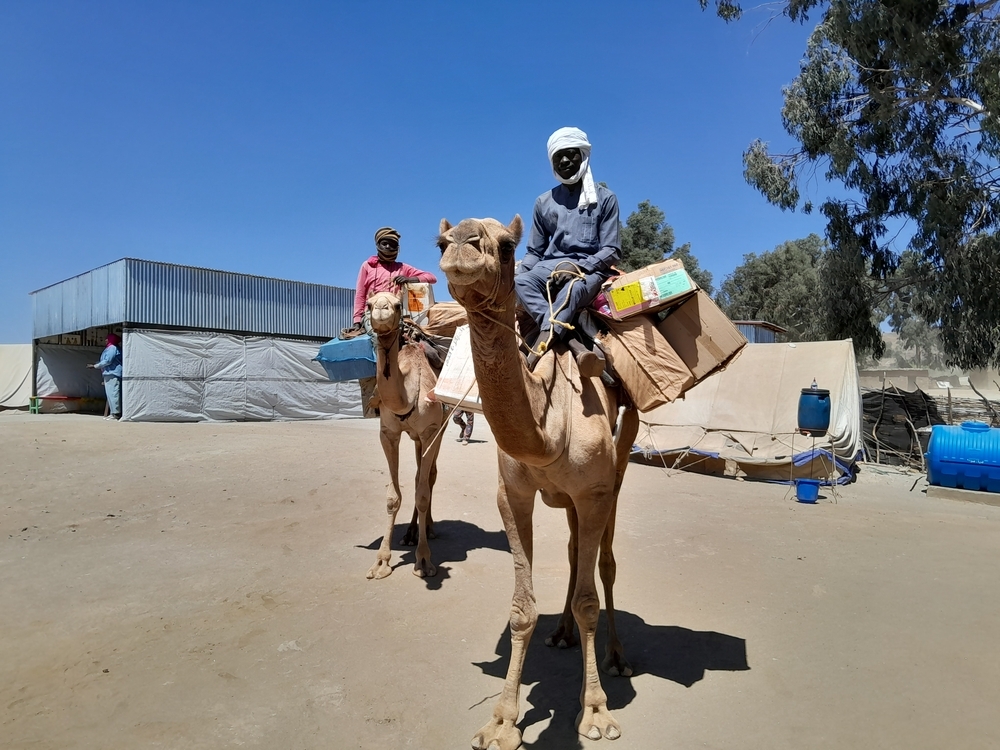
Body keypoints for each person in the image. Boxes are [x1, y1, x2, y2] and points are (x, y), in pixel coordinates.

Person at [514, 127, 621, 377]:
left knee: (570, 291)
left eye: (570, 154)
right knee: (521, 282)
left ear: (583, 155)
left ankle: (534, 354)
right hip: (548, 267)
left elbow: (612, 249)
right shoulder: (543, 202)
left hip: (589, 270)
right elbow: (534, 250)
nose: (564, 161)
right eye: (557, 156)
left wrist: (579, 268)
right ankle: (569, 336)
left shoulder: (606, 199)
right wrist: (519, 273)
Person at [344, 226, 439, 343]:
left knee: (412, 339)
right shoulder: (367, 266)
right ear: (378, 245)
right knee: (378, 338)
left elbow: (432, 278)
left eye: (392, 244)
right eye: (385, 244)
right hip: (371, 313)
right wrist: (357, 320)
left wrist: (409, 279)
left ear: (398, 248)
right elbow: (360, 294)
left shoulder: (402, 268)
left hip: (395, 313)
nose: (388, 247)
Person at [87, 333, 123, 420]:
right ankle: (113, 412)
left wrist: (95, 366)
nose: (106, 340)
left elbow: (108, 361)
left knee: (114, 393)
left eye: (107, 339)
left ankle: (116, 413)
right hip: (109, 373)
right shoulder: (111, 348)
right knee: (110, 393)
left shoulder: (112, 348)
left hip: (113, 373)